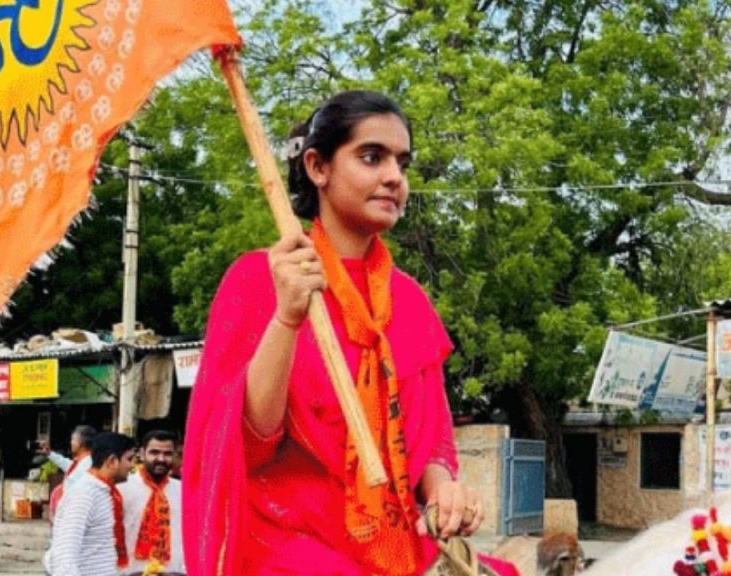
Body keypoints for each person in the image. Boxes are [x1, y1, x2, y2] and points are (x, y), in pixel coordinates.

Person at [183, 91, 515, 575]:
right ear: (318, 167)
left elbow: (432, 437)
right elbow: (247, 443)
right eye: (371, 156)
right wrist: (287, 318)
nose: (393, 178)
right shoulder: (261, 278)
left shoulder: (409, 300)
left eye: (402, 162)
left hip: (399, 539)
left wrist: (443, 489)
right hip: (292, 544)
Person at [44, 432, 136, 576]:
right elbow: (64, 558)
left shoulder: (103, 491)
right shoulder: (85, 494)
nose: (132, 466)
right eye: (129, 459)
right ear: (112, 461)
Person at [119, 430, 184, 575]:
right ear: (142, 454)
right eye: (154, 452)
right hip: (131, 571)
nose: (161, 459)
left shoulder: (182, 491)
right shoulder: (123, 488)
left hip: (172, 571)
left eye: (167, 454)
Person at [41, 424, 96, 522]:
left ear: (81, 443)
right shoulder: (81, 462)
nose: (71, 443)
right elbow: (67, 465)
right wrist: (50, 454)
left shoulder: (87, 464)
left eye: (73, 440)